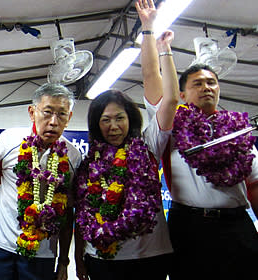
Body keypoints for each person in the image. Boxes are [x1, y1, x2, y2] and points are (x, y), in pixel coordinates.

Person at [72, 2, 180, 280]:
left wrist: (148, 30)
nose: (113, 126)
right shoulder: (88, 165)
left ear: (131, 118)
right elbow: (82, 214)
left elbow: (165, 95)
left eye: (119, 117)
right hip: (102, 260)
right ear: (96, 126)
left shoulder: (148, 146)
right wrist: (80, 258)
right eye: (105, 120)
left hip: (150, 257)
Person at [147, 10, 257, 280]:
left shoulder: (239, 130)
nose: (207, 88)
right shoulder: (172, 124)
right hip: (190, 226)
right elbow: (152, 80)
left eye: (212, 83)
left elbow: (254, 185)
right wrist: (155, 40)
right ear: (182, 94)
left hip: (237, 226)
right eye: (198, 84)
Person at [0, 83, 82, 280]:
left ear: (69, 118)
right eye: (47, 112)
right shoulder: (9, 139)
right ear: (32, 112)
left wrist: (64, 261)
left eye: (62, 114)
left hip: (43, 254)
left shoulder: (73, 156)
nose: (53, 122)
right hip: (1, 247)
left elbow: (67, 214)